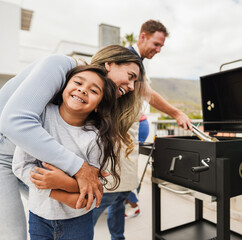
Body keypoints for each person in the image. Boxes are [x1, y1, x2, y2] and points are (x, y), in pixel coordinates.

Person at [0, 45, 146, 240]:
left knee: (60, 211)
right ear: (109, 64)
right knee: (14, 234)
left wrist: (71, 186)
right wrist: (79, 169)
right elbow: (14, 121)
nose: (130, 86)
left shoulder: (91, 127)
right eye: (130, 76)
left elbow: (93, 184)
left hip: (30, 159)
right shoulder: (60, 65)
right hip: (4, 157)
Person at [91, 20, 193, 239]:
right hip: (115, 137)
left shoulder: (137, 63)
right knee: (106, 197)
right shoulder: (128, 59)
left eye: (161, 47)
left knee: (119, 197)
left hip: (125, 140)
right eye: (156, 44)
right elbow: (148, 93)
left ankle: (118, 237)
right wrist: (176, 113)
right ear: (142, 37)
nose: (158, 50)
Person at [12, 65, 121, 240]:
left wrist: (64, 182)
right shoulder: (41, 116)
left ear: (98, 106)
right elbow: (20, 167)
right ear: (63, 89)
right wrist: (60, 192)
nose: (83, 89)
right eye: (78, 82)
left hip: (78, 220)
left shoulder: (95, 136)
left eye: (93, 90)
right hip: (39, 216)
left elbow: (96, 185)